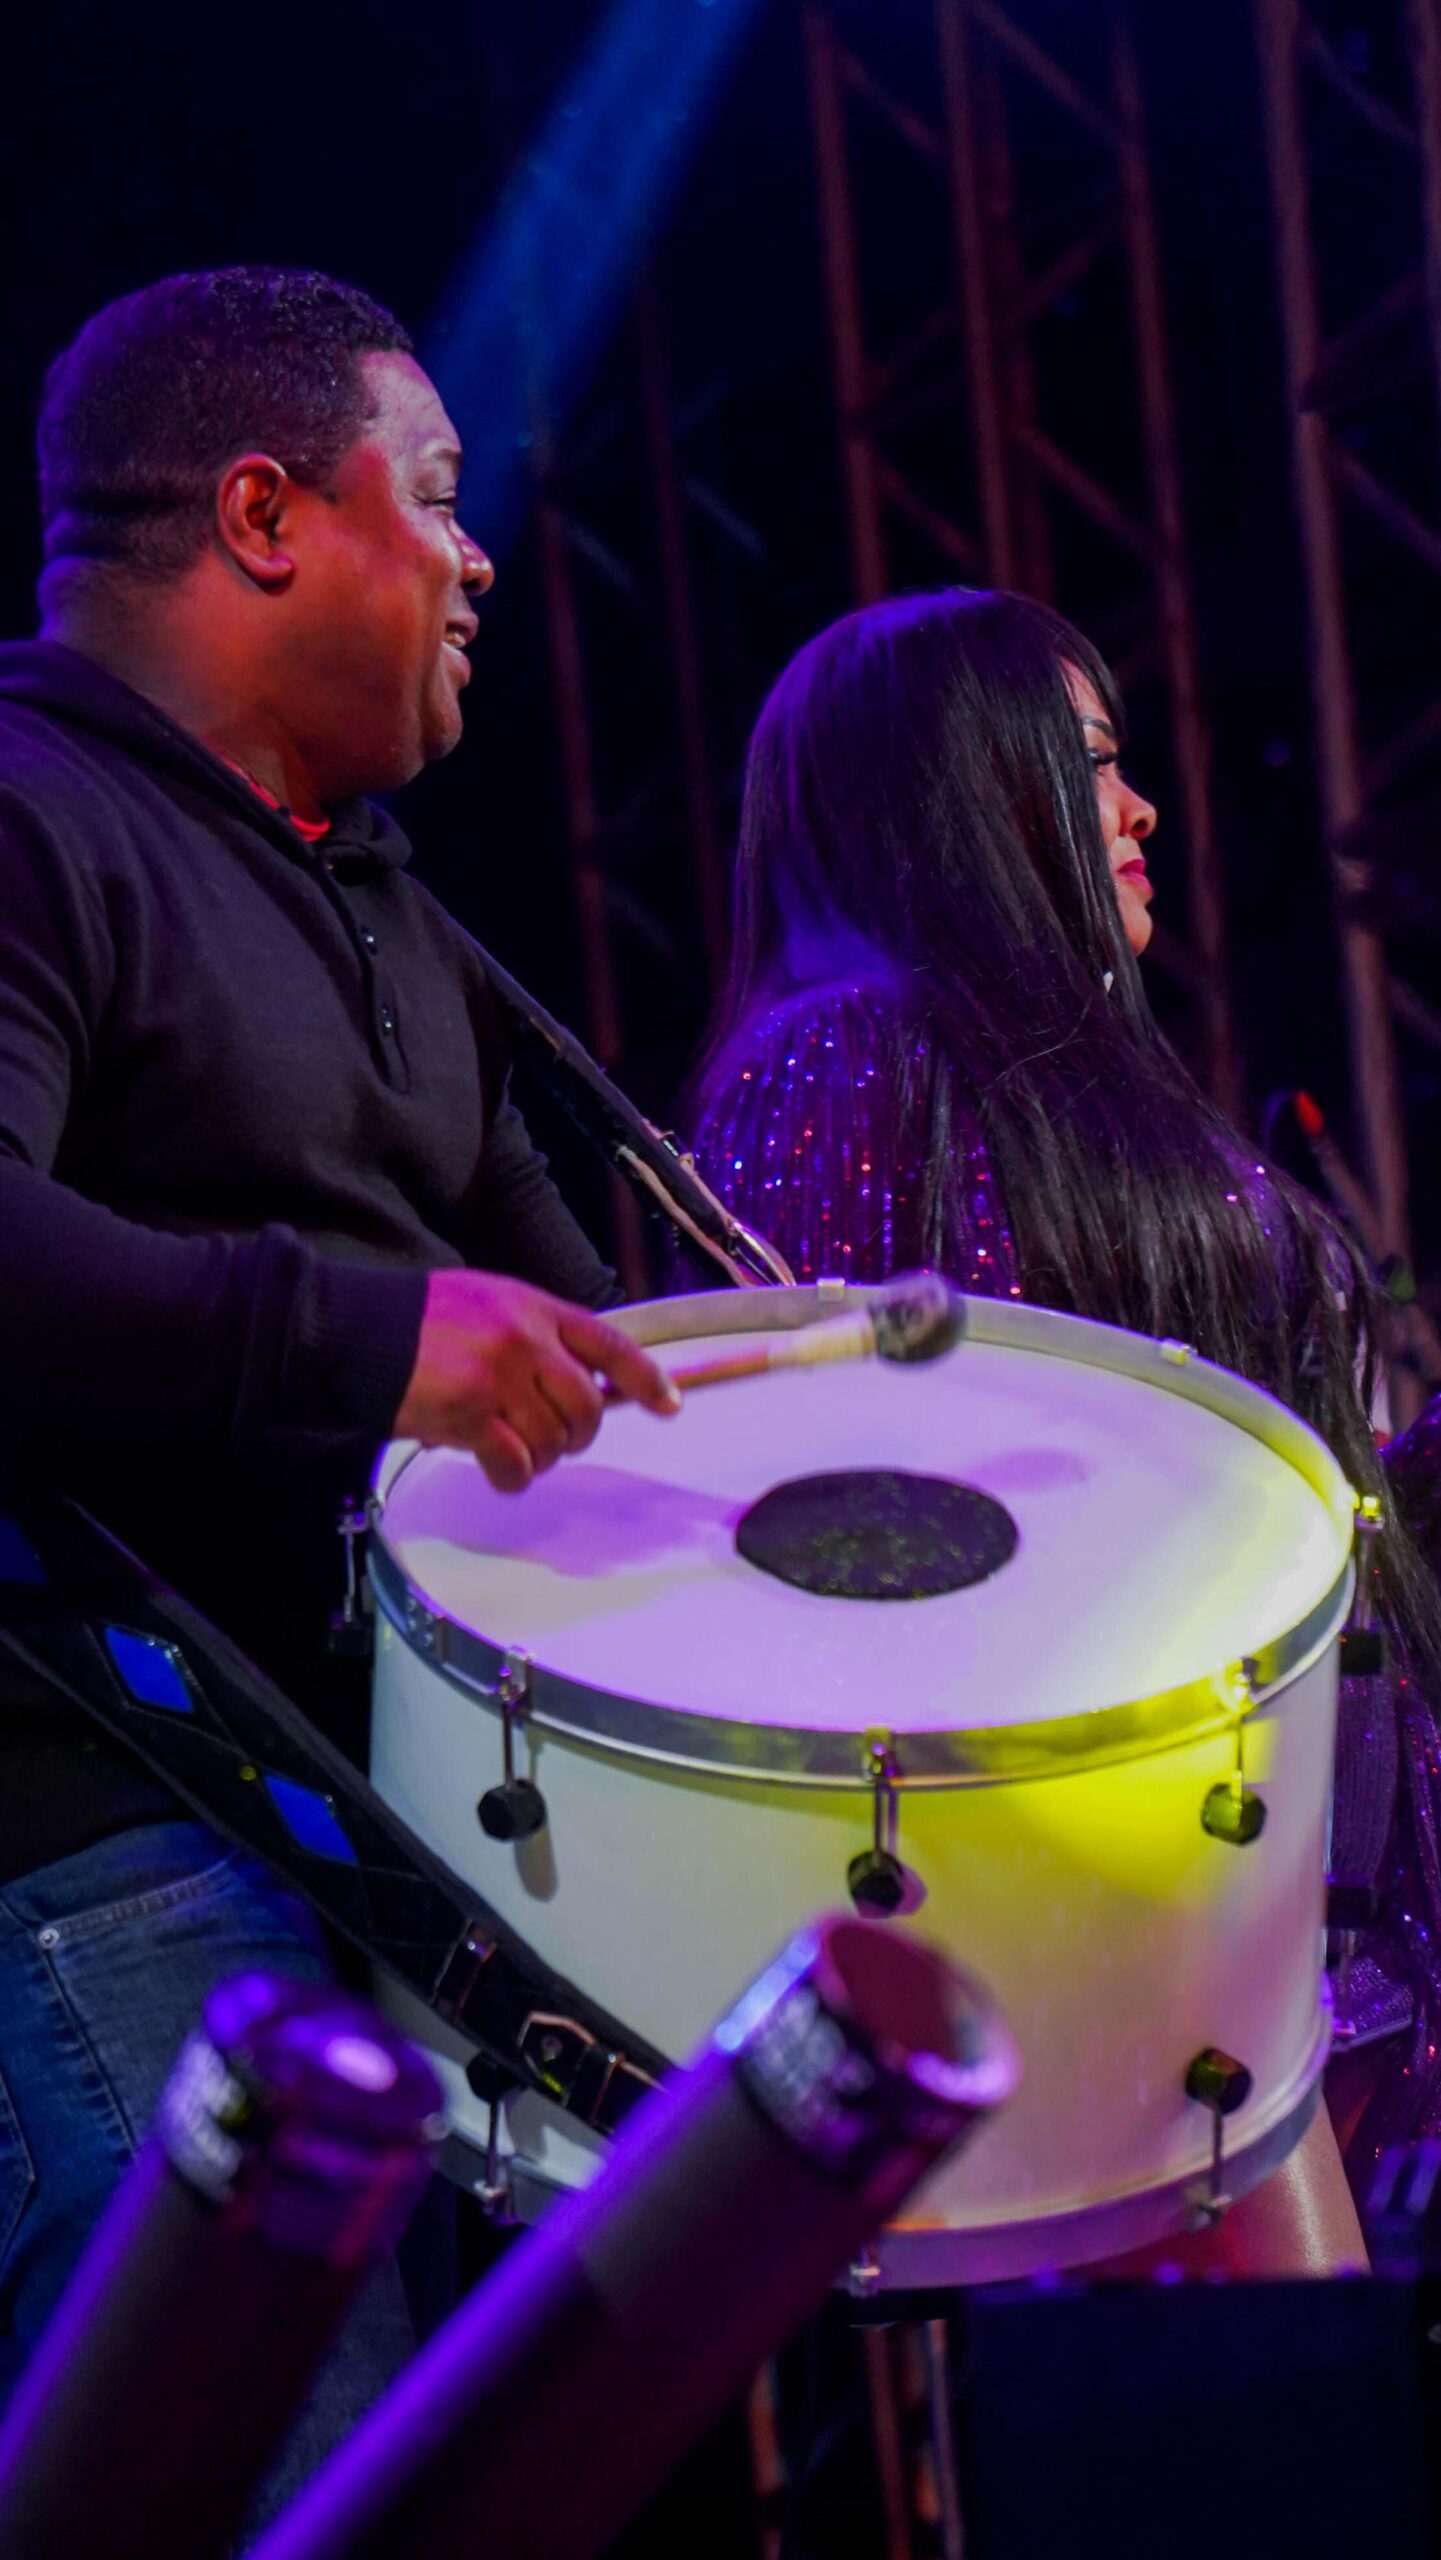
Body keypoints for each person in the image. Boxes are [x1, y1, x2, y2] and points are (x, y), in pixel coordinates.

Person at [0, 267, 678, 2509]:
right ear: (267, 514)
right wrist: (373, 1339)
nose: (481, 560)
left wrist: (825, 1415)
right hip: (98, 1841)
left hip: (369, 1870)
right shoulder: (30, 811)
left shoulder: (391, 912)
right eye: (441, 494)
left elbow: (585, 1347)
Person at [691, 585, 1441, 2260]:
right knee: (1296, 2401)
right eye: (1092, 760)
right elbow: (865, 1541)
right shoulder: (844, 1063)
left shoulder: (1055, 1079)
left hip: (1286, 1880)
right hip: (1123, 1910)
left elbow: (1235, 1520)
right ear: (964, 788)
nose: (1141, 806)